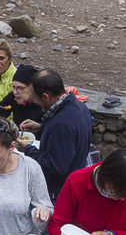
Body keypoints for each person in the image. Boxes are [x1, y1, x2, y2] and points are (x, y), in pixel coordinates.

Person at [19, 68, 94, 202]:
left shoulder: (60, 123)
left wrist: (27, 149)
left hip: (60, 192)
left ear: (46, 97)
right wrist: (42, 128)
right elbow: (69, 142)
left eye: (36, 98)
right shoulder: (78, 106)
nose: (35, 101)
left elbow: (55, 167)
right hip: (75, 180)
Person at [0, 63, 44, 128]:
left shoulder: (44, 101)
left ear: (33, 87)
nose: (15, 92)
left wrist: (40, 127)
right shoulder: (14, 96)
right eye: (13, 87)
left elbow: (53, 129)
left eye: (20, 88)